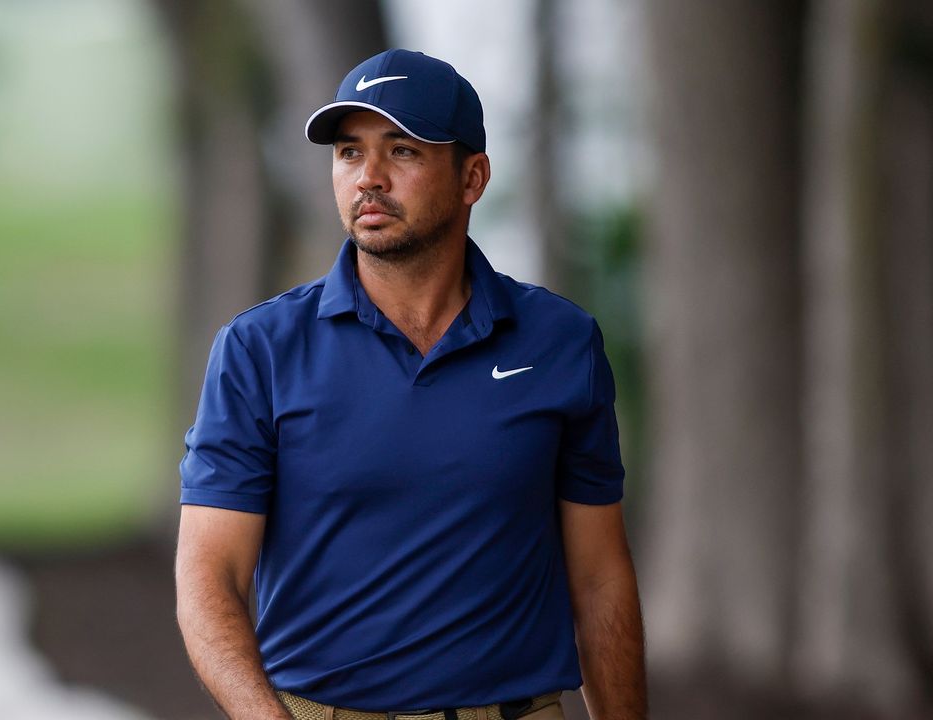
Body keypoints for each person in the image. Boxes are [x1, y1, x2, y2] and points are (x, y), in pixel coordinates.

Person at [175, 49, 646, 720]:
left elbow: (600, 576)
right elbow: (209, 575)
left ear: (472, 177)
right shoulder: (260, 350)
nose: (368, 178)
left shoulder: (560, 342)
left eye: (402, 152)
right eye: (348, 153)